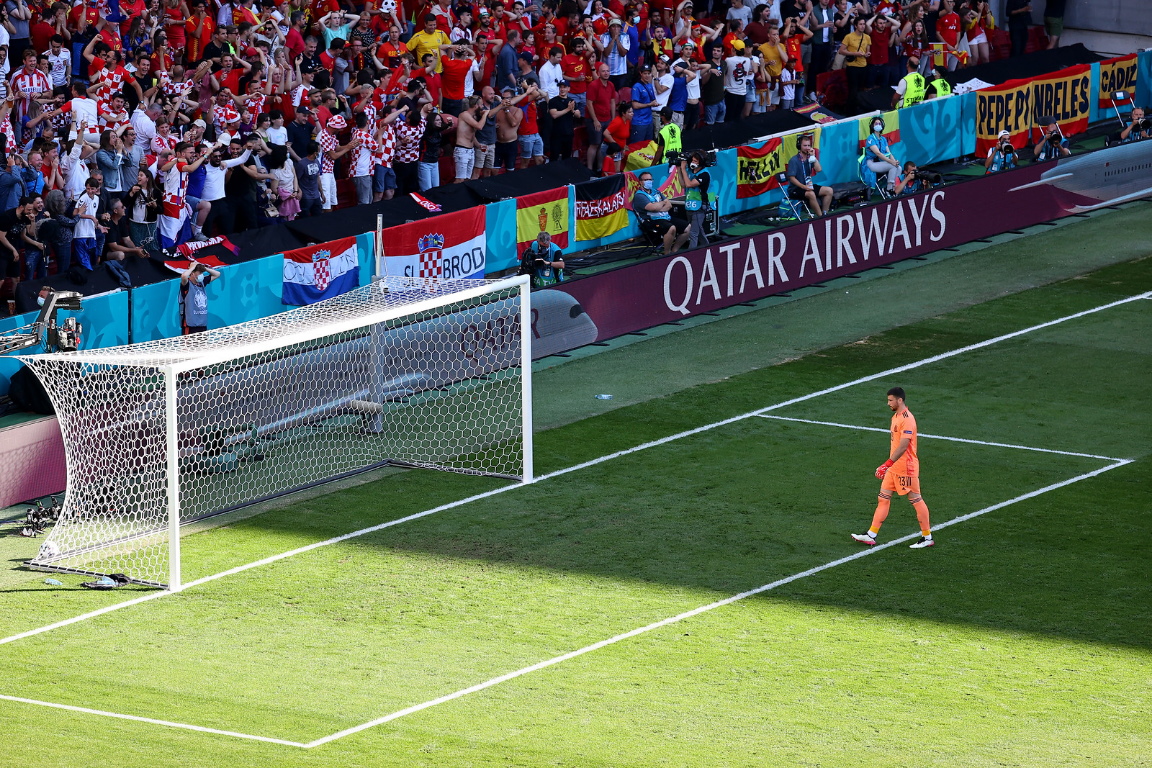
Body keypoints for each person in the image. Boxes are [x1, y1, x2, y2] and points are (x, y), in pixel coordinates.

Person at [851, 387, 936, 549]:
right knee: (883, 498)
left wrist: (886, 464)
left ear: (900, 400)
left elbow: (904, 446)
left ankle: (927, 537)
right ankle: (871, 535)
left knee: (916, 500)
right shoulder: (895, 417)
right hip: (894, 468)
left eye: (890, 400)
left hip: (906, 468)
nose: (888, 403)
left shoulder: (907, 419)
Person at [631, 170, 690, 255]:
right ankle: (667, 253)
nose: (649, 181)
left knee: (687, 228)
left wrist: (659, 207)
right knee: (671, 228)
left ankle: (674, 250)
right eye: (646, 180)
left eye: (650, 179)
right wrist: (662, 203)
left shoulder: (656, 191)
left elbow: (669, 205)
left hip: (665, 217)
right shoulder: (639, 195)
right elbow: (652, 208)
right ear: (641, 182)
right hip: (651, 221)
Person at [786, 133, 833, 217]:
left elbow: (818, 169)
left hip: (808, 186)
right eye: (805, 145)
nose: (807, 148)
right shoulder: (794, 160)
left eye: (809, 145)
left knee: (829, 190)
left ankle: (825, 213)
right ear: (799, 146)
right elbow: (792, 178)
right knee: (810, 193)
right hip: (796, 189)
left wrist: (813, 157)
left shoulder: (810, 158)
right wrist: (803, 187)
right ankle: (820, 217)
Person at [679, 151, 711, 249]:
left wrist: (683, 170)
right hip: (690, 205)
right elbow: (683, 185)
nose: (693, 162)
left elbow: (689, 184)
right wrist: (679, 170)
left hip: (700, 206)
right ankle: (708, 247)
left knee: (693, 232)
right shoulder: (690, 172)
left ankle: (691, 253)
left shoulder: (704, 174)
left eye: (696, 161)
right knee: (699, 231)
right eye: (692, 160)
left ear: (701, 162)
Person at [179, 260, 220, 334]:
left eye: (202, 273)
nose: (202, 275)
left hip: (202, 325)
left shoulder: (202, 283)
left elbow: (217, 274)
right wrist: (192, 267)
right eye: (200, 273)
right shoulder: (187, 285)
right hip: (190, 326)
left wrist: (205, 268)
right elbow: (184, 276)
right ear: (192, 273)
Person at [863, 116, 900, 193]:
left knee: (898, 167)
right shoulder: (870, 139)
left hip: (880, 162)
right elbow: (878, 153)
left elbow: (888, 152)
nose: (878, 125)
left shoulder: (883, 139)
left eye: (880, 124)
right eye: (876, 123)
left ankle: (896, 188)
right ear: (872, 126)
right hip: (871, 163)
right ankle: (889, 190)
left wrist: (894, 161)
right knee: (892, 166)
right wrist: (891, 162)